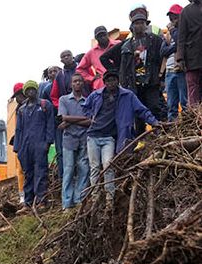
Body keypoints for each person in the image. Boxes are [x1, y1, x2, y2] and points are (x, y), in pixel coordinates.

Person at [84, 70, 161, 200]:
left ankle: (110, 197)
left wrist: (154, 122)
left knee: (109, 165)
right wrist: (90, 117)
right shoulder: (96, 95)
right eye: (108, 81)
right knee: (95, 168)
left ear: (118, 81)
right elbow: (85, 107)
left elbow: (142, 110)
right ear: (104, 82)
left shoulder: (127, 95)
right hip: (94, 135)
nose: (111, 83)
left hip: (112, 136)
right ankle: (95, 197)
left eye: (114, 80)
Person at [103, 10, 168, 119]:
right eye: (137, 23)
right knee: (137, 113)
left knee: (155, 108)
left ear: (146, 25)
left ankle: (159, 128)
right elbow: (104, 58)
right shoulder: (126, 45)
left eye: (142, 23)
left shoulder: (155, 40)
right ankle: (141, 130)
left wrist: (161, 76)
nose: (140, 26)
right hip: (133, 84)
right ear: (132, 26)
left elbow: (163, 57)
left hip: (151, 82)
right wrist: (118, 73)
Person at [12, 80, 56, 207]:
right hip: (25, 146)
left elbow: (50, 125)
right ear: (25, 92)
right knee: (28, 174)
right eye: (28, 90)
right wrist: (17, 148)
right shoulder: (22, 110)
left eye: (33, 89)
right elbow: (18, 130)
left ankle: (41, 201)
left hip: (39, 145)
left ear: (37, 90)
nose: (30, 92)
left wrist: (48, 143)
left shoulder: (45, 105)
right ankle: (28, 202)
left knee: (41, 172)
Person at [59, 73, 93, 209]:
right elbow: (63, 117)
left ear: (83, 83)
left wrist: (69, 120)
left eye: (79, 81)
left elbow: (90, 121)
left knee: (84, 169)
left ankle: (79, 200)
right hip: (69, 139)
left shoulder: (88, 101)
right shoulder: (64, 99)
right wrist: (82, 119)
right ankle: (67, 204)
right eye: (75, 81)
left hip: (84, 139)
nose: (77, 83)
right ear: (71, 84)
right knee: (68, 170)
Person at [178, 0, 202, 107]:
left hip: (192, 58)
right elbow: (181, 36)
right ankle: (194, 113)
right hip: (192, 59)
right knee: (193, 90)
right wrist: (180, 58)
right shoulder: (186, 11)